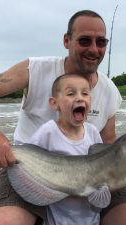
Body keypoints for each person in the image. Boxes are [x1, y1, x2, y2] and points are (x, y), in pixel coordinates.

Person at [0, 9, 126, 225]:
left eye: (101, 42)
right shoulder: (35, 69)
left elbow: (109, 142)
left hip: (96, 178)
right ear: (67, 40)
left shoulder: (110, 90)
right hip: (27, 170)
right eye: (85, 40)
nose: (94, 49)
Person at [29, 73, 103, 225]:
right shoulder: (48, 131)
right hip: (58, 218)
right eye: (71, 93)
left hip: (92, 217)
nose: (80, 98)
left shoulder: (93, 132)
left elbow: (102, 166)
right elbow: (30, 159)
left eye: (85, 93)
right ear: (54, 103)